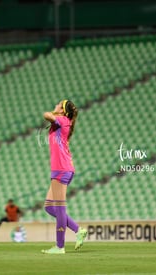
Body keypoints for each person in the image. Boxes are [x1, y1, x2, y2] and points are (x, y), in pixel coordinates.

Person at [41, 99, 87, 254]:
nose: (55, 105)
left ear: (62, 111)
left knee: (60, 208)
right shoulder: (62, 122)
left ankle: (60, 246)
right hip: (59, 169)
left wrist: (54, 113)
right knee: (49, 207)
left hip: (62, 169)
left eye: (58, 105)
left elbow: (46, 115)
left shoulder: (63, 120)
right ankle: (78, 230)